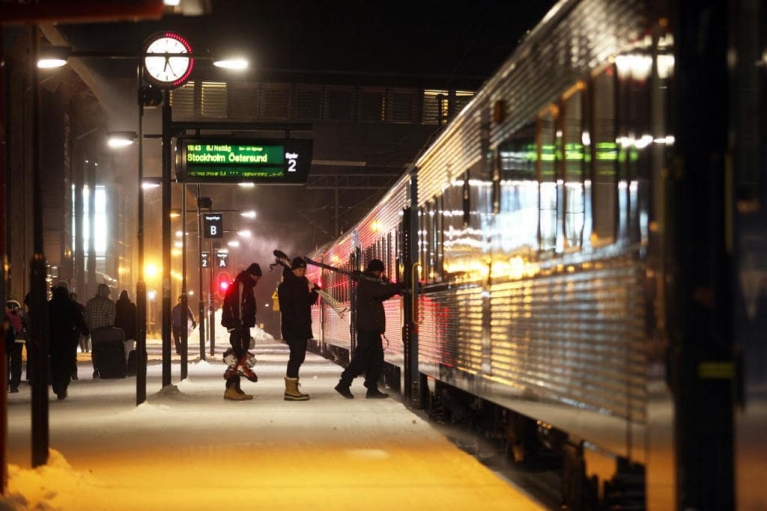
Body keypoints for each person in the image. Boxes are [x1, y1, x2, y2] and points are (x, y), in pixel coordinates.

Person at [335, 259, 403, 399]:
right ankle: (344, 383)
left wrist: (395, 289)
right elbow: (380, 292)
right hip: (368, 328)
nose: (381, 275)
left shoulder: (368, 281)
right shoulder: (368, 282)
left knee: (377, 359)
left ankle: (371, 388)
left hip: (371, 327)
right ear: (377, 271)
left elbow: (382, 293)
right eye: (380, 273)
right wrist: (397, 287)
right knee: (362, 359)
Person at [277, 257, 319, 401]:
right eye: (299, 270)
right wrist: (294, 323)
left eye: (303, 270)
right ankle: (290, 389)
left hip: (301, 327)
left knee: (299, 357)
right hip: (293, 328)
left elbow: (306, 302)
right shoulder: (285, 286)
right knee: (296, 357)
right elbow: (287, 309)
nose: (302, 272)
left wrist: (314, 292)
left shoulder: (300, 284)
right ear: (293, 270)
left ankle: (293, 386)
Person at [220, 263, 261, 401]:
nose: (257, 281)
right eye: (256, 277)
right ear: (252, 275)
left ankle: (235, 388)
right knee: (238, 357)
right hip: (239, 326)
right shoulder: (241, 285)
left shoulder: (245, 285)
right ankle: (231, 389)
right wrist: (238, 325)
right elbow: (237, 306)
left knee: (240, 356)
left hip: (242, 326)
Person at [49, 283, 89, 400]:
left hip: (54, 339)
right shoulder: (72, 305)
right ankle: (64, 384)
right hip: (69, 339)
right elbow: (79, 320)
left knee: (55, 362)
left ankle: (57, 385)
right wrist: (85, 331)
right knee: (68, 362)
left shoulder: (50, 305)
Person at [5, 299, 24, 393]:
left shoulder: (4, 315)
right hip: (18, 340)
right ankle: (14, 385)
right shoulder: (20, 314)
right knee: (16, 363)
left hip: (6, 341)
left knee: (5, 363)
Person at [114, 290, 137, 363]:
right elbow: (135, 319)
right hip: (130, 332)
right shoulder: (132, 306)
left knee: (122, 349)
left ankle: (122, 363)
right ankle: (129, 364)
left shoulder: (116, 306)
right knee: (130, 349)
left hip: (119, 331)